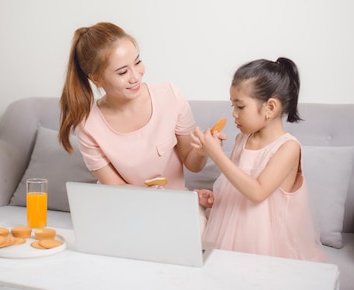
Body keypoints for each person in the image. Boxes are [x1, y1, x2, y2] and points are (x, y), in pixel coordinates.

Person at [190, 57, 325, 261]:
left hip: (267, 244)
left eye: (240, 107)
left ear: (270, 107)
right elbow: (237, 187)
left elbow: (257, 192)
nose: (234, 114)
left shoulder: (288, 148)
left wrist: (216, 155)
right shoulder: (241, 139)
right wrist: (215, 200)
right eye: (232, 107)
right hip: (229, 236)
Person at [58, 22, 208, 190]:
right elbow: (116, 187)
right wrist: (147, 196)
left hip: (174, 206)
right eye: (123, 72)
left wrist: (203, 150)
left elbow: (193, 164)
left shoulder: (170, 96)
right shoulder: (88, 126)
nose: (136, 76)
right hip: (124, 208)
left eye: (137, 62)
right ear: (96, 79)